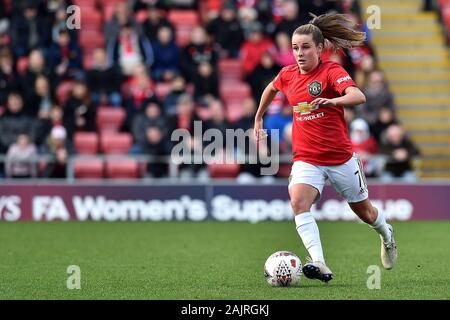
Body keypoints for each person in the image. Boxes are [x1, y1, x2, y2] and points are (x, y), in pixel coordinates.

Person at [253, 13, 397, 283]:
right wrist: (259, 116)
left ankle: (386, 234)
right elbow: (271, 89)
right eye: (295, 48)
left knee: (365, 213)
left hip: (340, 158)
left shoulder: (331, 71)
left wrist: (333, 102)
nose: (299, 53)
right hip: (306, 158)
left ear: (319, 48)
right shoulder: (287, 75)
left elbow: (358, 95)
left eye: (305, 47)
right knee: (298, 202)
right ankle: (318, 262)